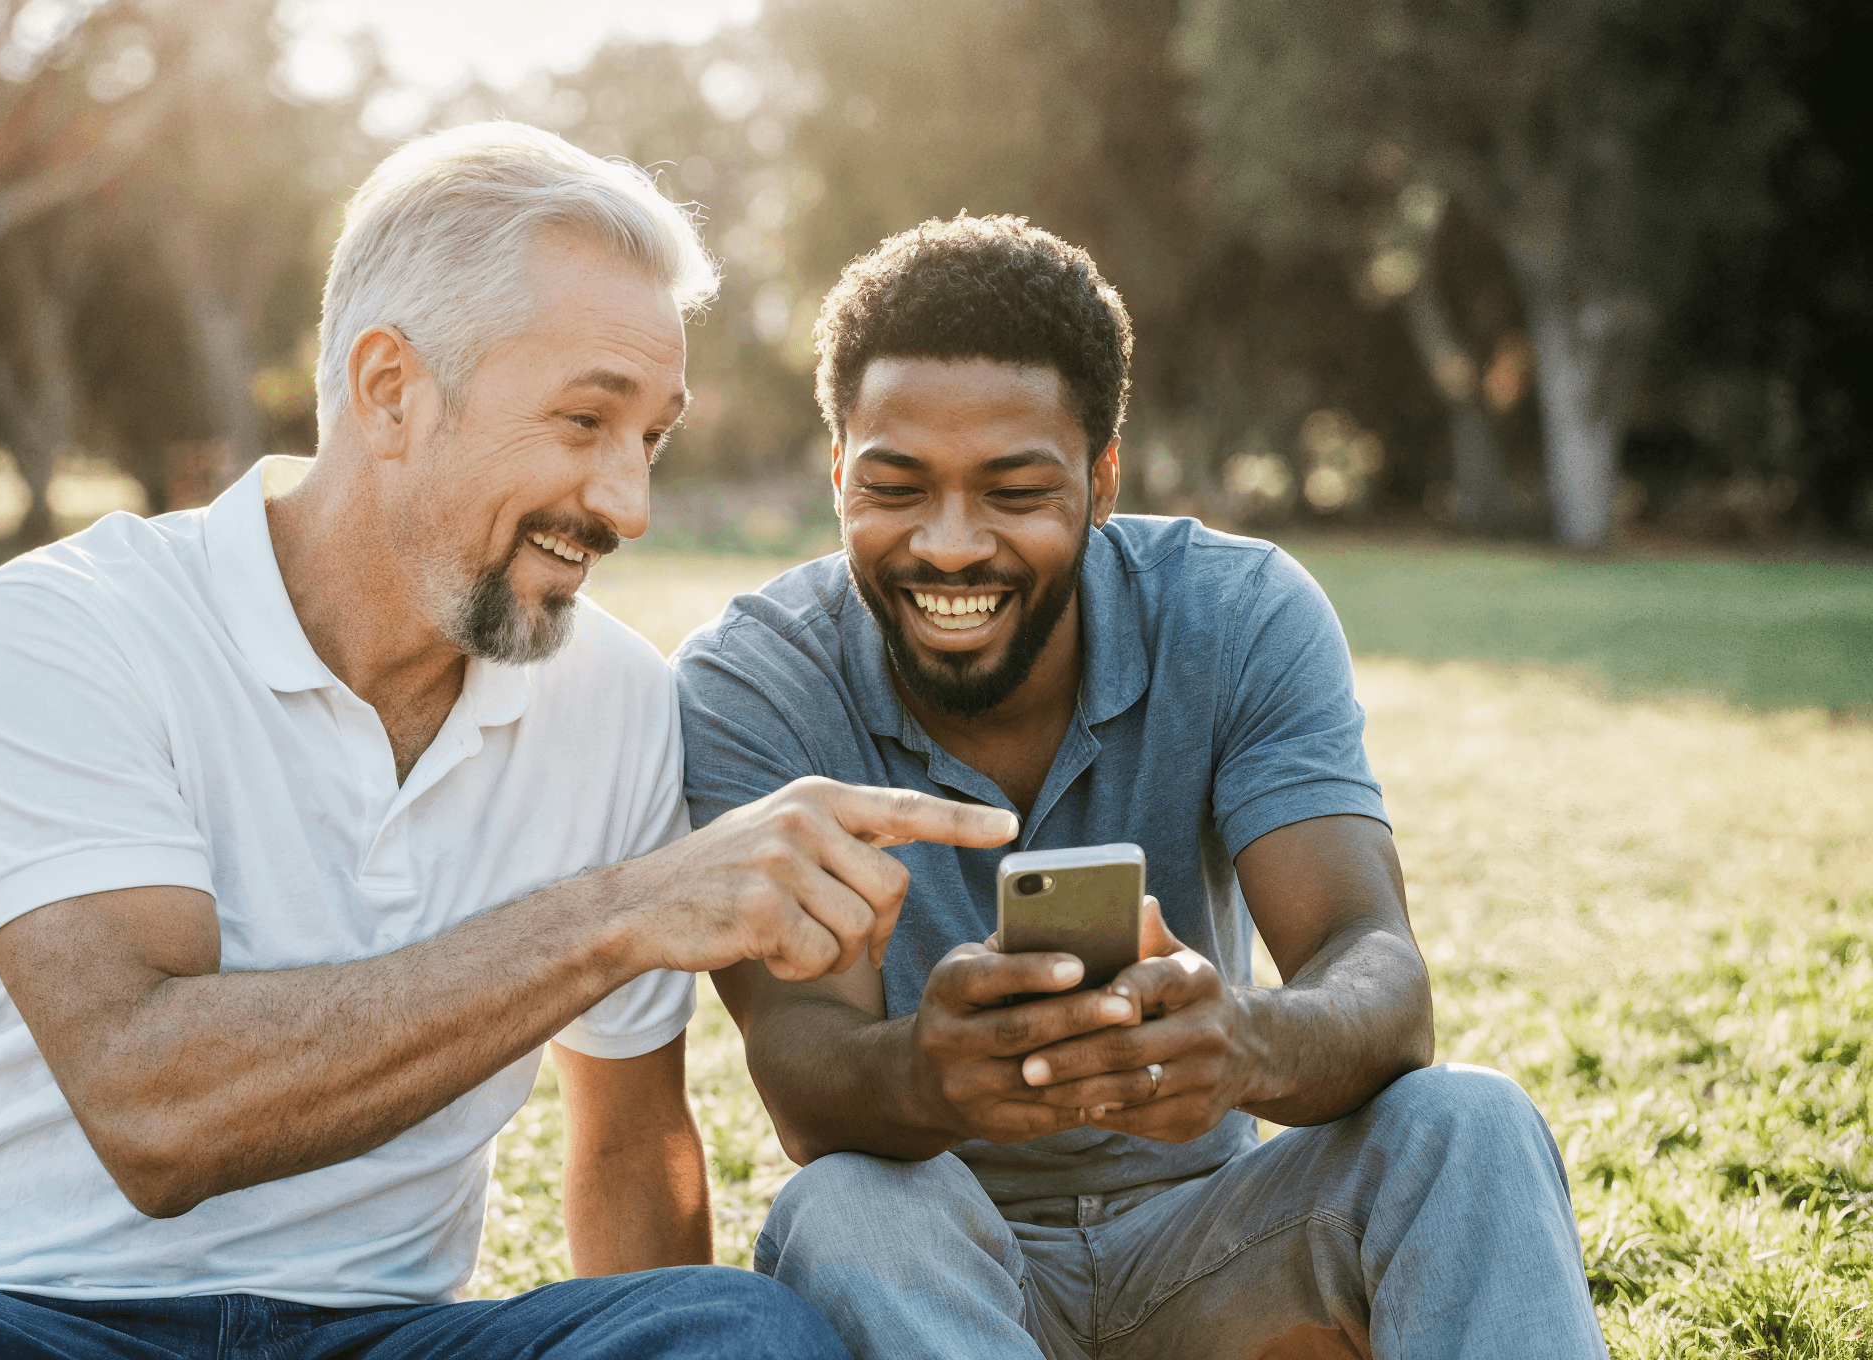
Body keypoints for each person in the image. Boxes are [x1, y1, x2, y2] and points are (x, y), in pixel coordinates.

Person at [0, 125, 1018, 1360]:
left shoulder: (610, 696)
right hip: (9, 1320)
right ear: (391, 388)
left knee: (734, 1331)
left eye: (650, 437)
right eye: (582, 421)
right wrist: (615, 913)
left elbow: (626, 1140)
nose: (627, 503)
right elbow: (154, 1110)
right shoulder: (76, 622)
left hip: (381, 1336)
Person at [673, 215, 1609, 1359]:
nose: (951, 544)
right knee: (848, 1206)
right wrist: (926, 1072)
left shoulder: (1236, 611)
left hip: (1212, 1239)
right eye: (896, 487)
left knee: (1469, 1120)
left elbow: (1374, 965)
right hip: (942, 1268)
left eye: (1014, 490)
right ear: (836, 475)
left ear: (1101, 478)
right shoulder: (750, 679)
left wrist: (1248, 1042)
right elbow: (800, 1067)